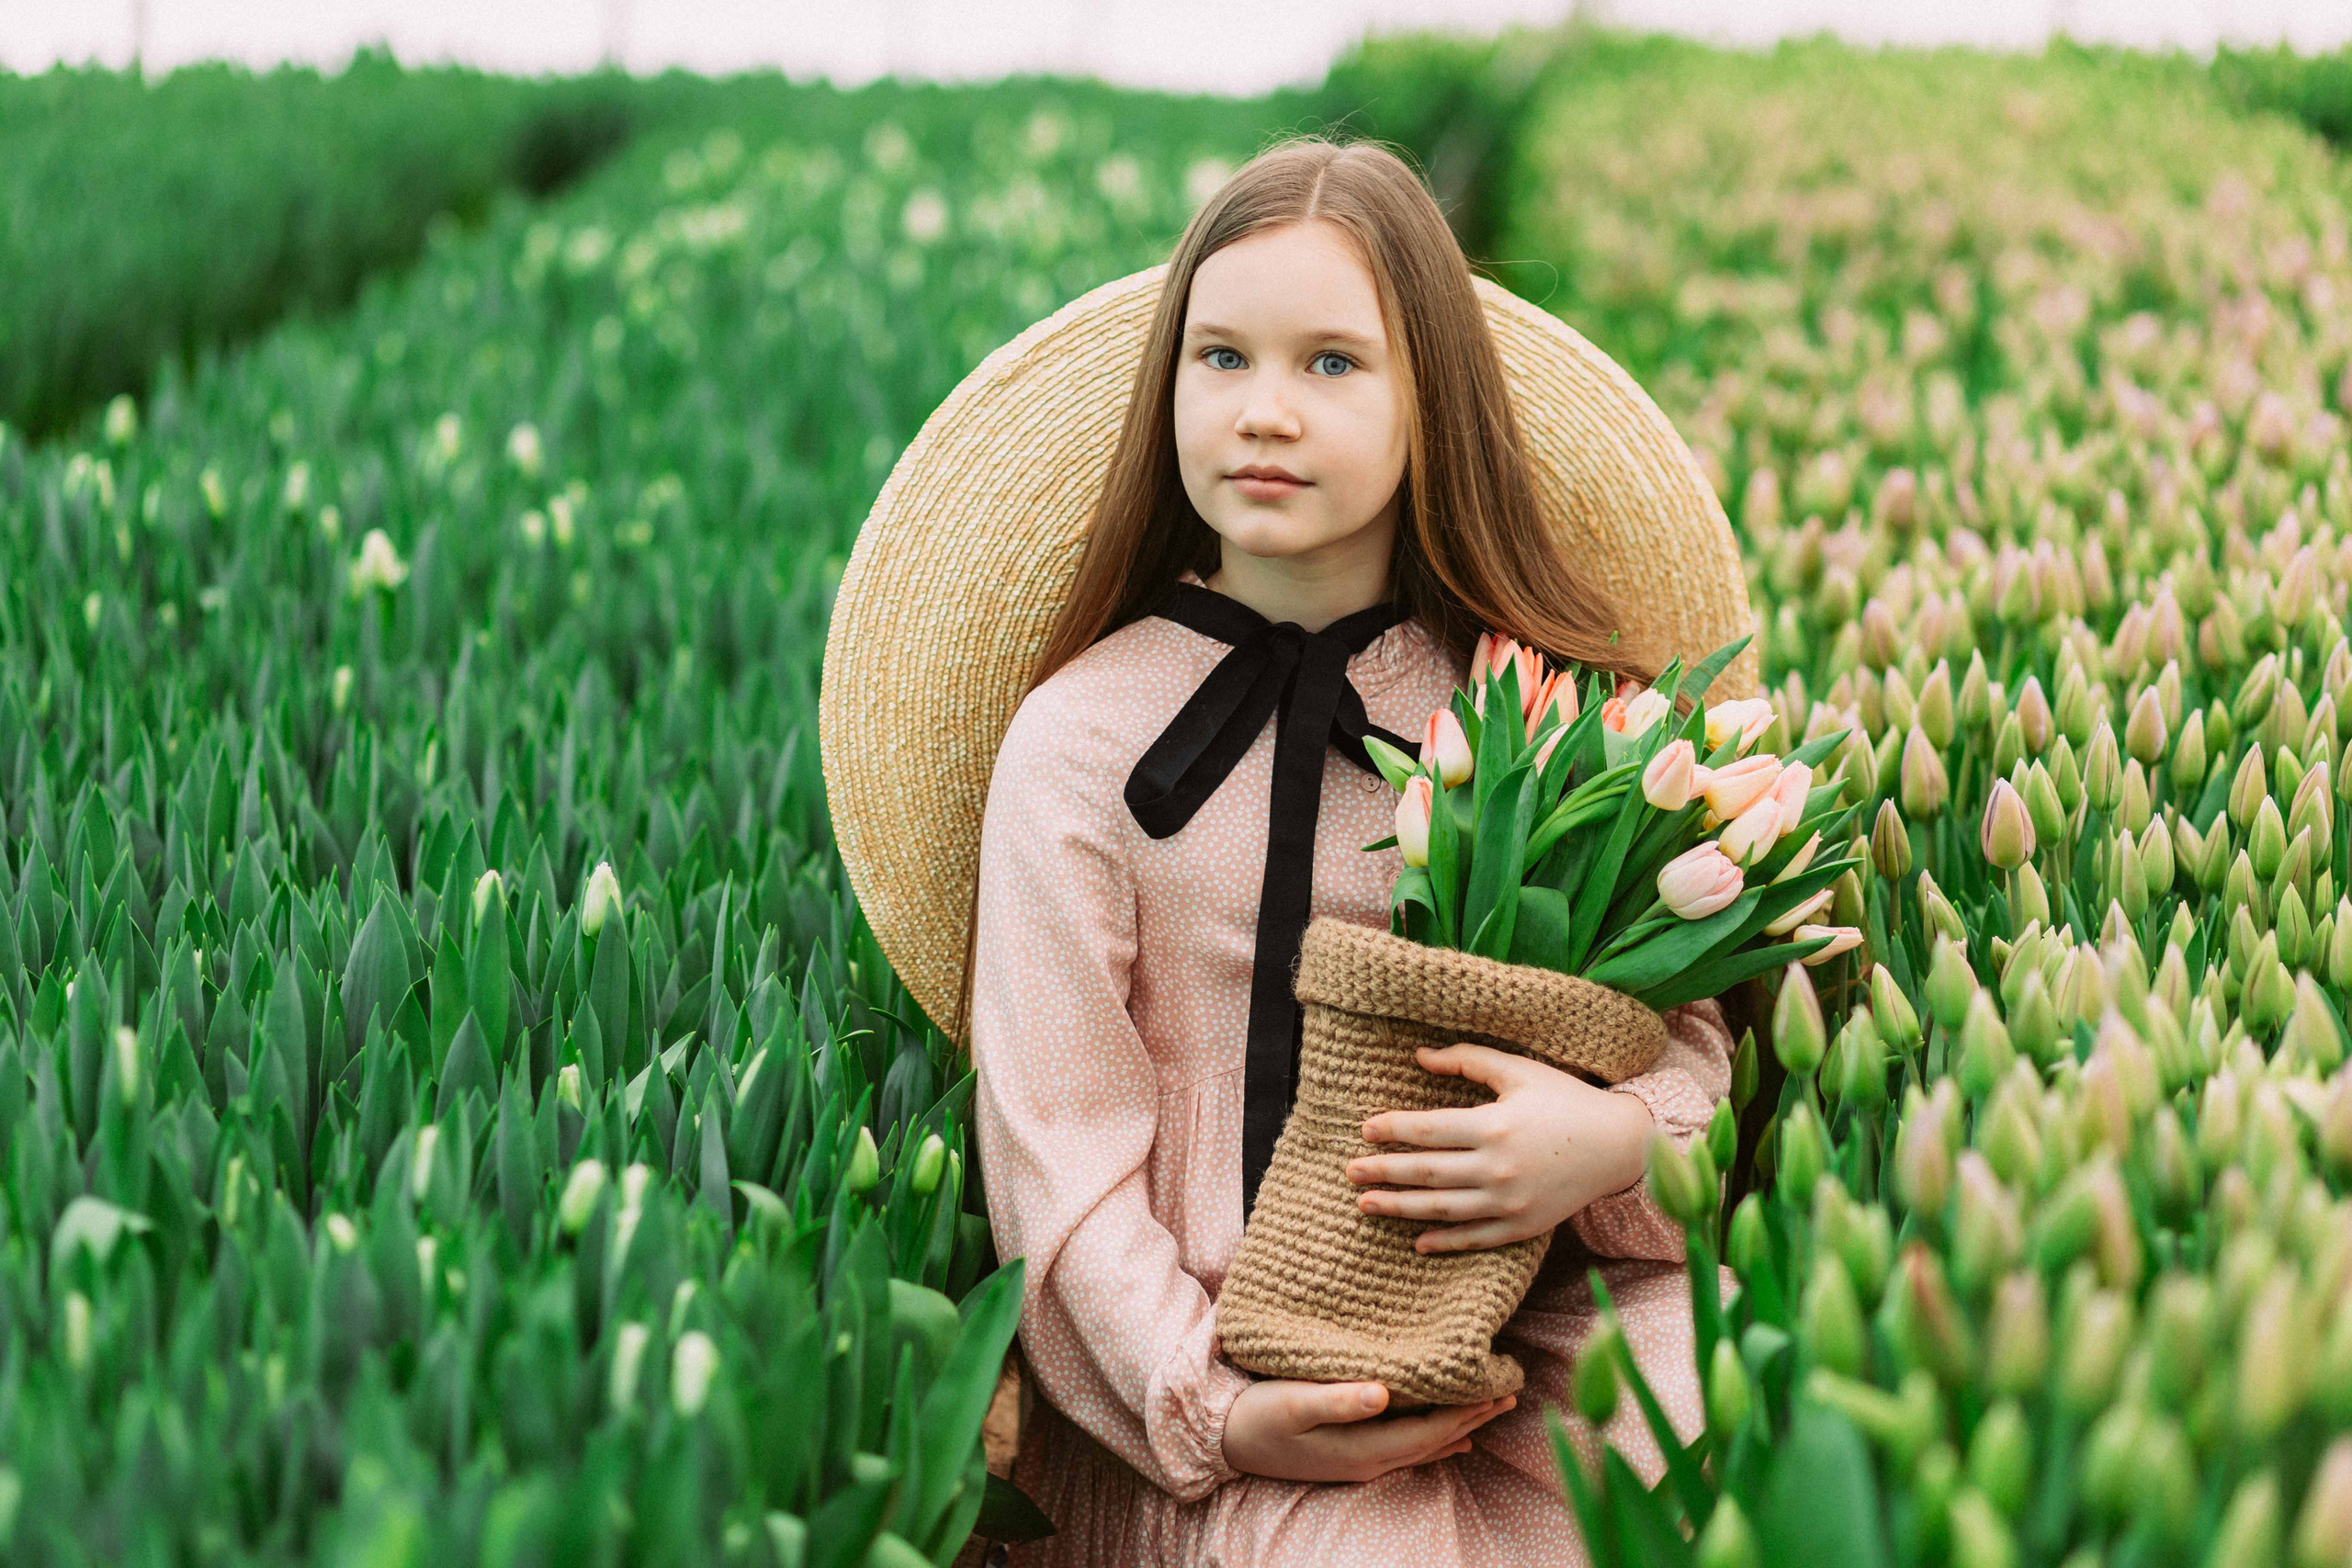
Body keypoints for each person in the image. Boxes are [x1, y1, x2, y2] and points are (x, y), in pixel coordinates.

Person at [958, 138, 1738, 1565]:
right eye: (1221, 358)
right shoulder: (1078, 741)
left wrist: (1606, 1144)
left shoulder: (1534, 715)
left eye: (1332, 364)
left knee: (1723, 1431)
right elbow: (1050, 1140)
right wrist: (1216, 1408)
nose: (1265, 412)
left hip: (1520, 1327)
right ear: (1168, 388)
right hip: (1201, 1371)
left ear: (1428, 402)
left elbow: (1675, 1042)